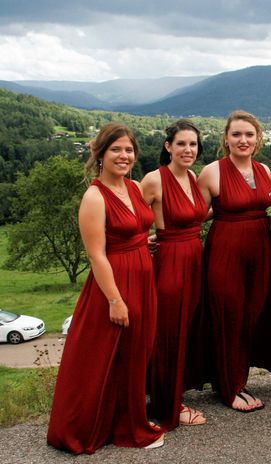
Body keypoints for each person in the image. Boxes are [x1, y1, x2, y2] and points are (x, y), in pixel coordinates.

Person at [47, 123, 164, 453]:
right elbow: (96, 253)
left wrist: (143, 241)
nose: (124, 155)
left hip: (142, 275)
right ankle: (106, 427)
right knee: (109, 355)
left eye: (129, 150)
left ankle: (127, 420)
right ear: (100, 154)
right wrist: (115, 299)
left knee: (136, 352)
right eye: (116, 149)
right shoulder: (94, 196)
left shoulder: (134, 187)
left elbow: (133, 229)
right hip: (114, 283)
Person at [197, 110, 271, 412]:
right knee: (228, 315)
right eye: (236, 134)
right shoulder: (211, 172)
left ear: (258, 138)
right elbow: (196, 214)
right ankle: (228, 387)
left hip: (261, 250)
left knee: (251, 316)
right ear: (226, 138)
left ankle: (238, 378)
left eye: (249, 134)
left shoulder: (263, 169)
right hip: (226, 252)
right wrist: (157, 234)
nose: (243, 140)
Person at [142, 120, 208, 429]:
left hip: (194, 259)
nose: (188, 149)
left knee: (184, 332)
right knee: (167, 334)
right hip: (169, 263)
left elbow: (197, 216)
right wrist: (144, 241)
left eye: (193, 144)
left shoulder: (192, 176)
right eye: (181, 143)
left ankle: (170, 392)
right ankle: (167, 406)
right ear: (168, 146)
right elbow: (129, 220)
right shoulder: (154, 180)